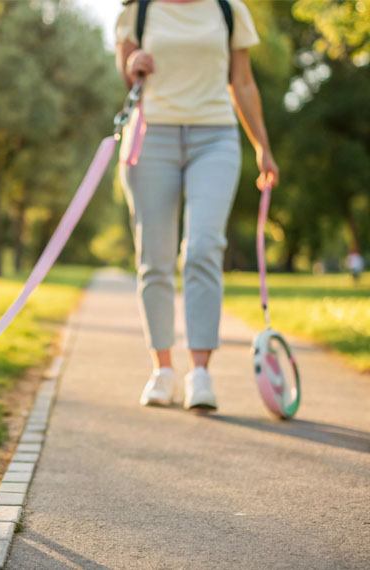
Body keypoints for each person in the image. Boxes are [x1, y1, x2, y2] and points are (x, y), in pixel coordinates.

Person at [115, 0, 279, 411]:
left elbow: (241, 83)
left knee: (204, 247)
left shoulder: (228, 9)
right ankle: (163, 371)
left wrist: (263, 146)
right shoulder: (138, 10)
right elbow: (126, 72)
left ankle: (200, 373)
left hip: (216, 136)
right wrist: (134, 61)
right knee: (155, 256)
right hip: (152, 137)